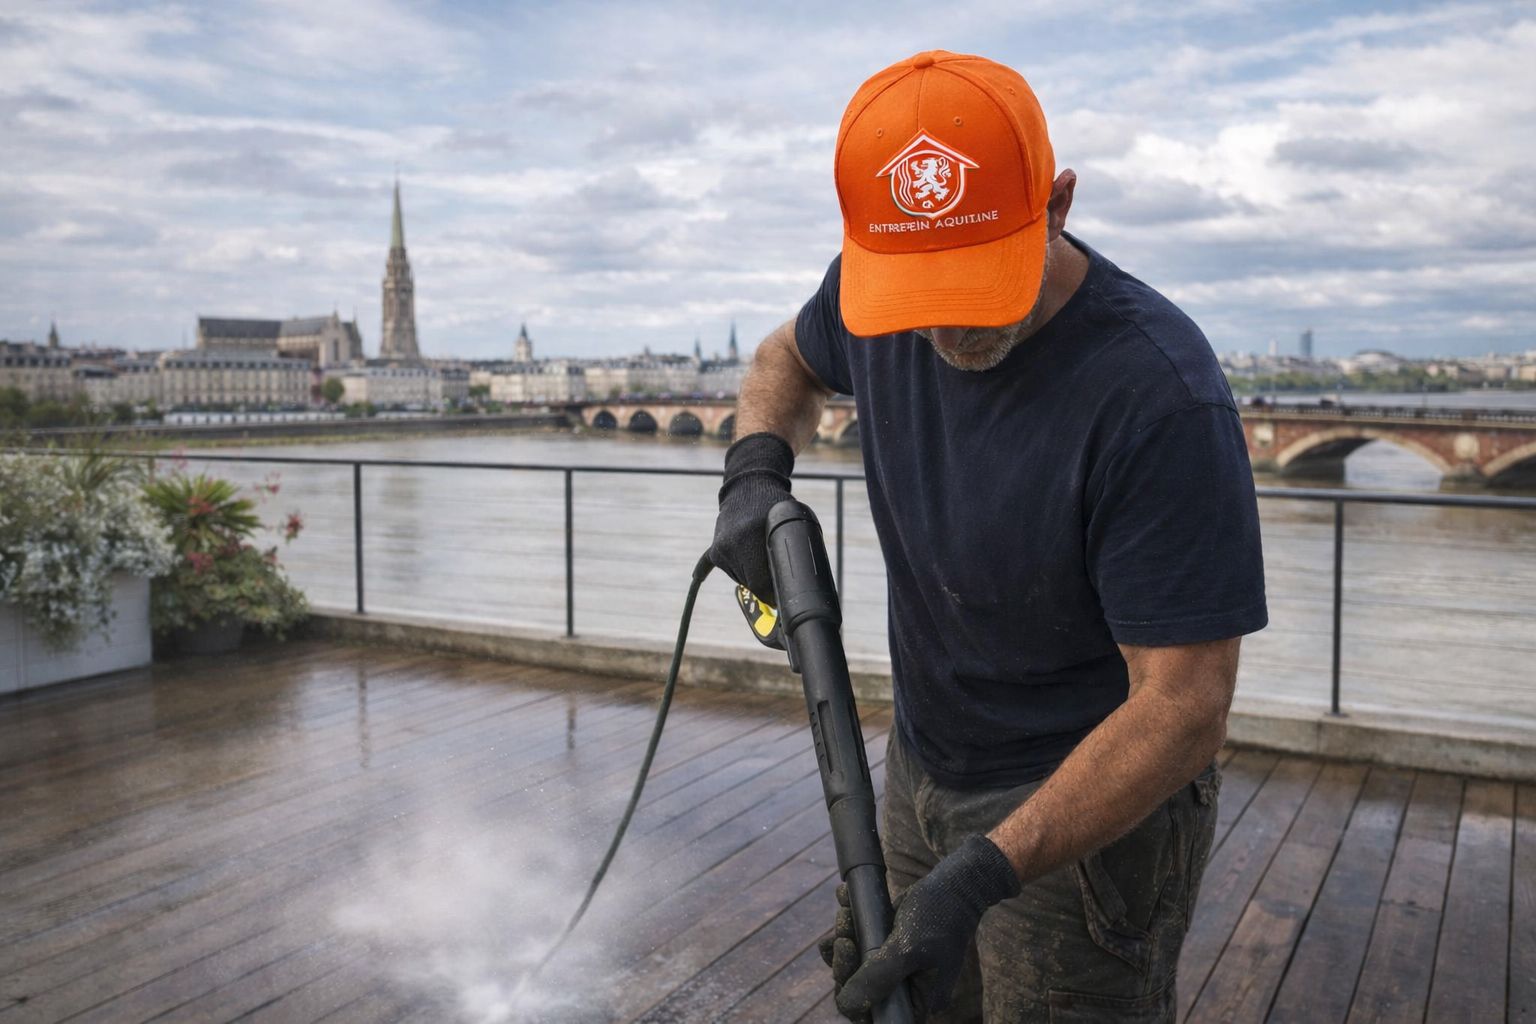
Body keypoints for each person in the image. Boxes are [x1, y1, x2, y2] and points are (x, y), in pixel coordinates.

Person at [708, 50, 1268, 1023]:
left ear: (1055, 205)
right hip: (921, 766)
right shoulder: (868, 297)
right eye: (919, 294)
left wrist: (990, 868)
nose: (949, 326)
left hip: (1087, 816)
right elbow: (780, 361)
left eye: (976, 282)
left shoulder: (1155, 393)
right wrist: (754, 474)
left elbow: (1184, 707)